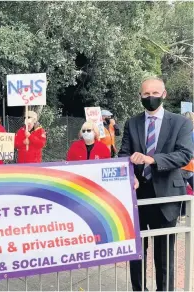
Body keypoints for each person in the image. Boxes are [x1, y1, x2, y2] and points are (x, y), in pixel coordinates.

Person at [118, 77, 193, 292]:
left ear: (164, 94)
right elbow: (124, 155)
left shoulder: (181, 123)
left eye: (155, 93)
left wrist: (153, 159)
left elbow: (184, 155)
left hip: (167, 197)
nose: (150, 98)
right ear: (140, 96)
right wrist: (129, 174)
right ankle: (139, 289)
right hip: (137, 196)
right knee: (137, 252)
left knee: (164, 255)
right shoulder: (132, 123)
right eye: (146, 94)